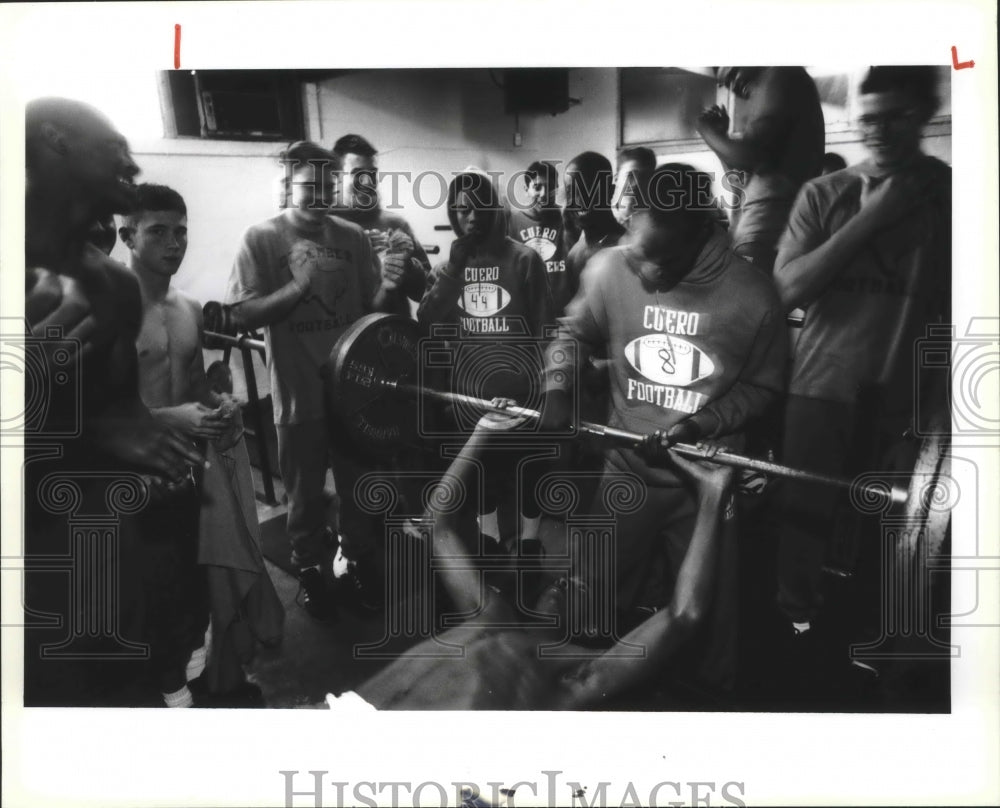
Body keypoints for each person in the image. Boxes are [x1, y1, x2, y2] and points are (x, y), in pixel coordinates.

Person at [541, 163, 788, 688]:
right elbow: (572, 333)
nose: (647, 273)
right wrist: (558, 385)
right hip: (625, 471)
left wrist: (700, 425)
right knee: (585, 609)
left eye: (662, 259)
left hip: (706, 483)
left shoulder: (753, 296)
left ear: (701, 232)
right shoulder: (609, 269)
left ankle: (708, 715)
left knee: (707, 625)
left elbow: (763, 389)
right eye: (639, 251)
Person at [341, 411, 737, 710]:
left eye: (580, 588)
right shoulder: (490, 613)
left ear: (590, 627)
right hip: (345, 721)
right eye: (565, 578)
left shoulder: (572, 678)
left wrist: (711, 497)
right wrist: (484, 432)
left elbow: (683, 617)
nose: (564, 581)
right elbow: (438, 524)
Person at [24, 97, 205, 706]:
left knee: (128, 681)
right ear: (51, 141)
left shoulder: (114, 285)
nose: (128, 162)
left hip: (109, 539)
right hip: (31, 547)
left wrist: (149, 443)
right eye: (110, 147)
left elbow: (123, 420)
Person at [771, 66, 951, 641]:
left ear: (923, 116)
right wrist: (875, 217)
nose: (881, 131)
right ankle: (793, 630)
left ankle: (873, 641)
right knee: (803, 521)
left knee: (897, 528)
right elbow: (785, 291)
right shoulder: (827, 193)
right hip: (820, 388)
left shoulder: (949, 193)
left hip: (906, 397)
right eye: (869, 119)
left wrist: (938, 407)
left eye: (897, 117)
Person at [217, 141, 401, 621]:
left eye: (327, 183)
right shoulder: (261, 238)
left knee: (359, 490)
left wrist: (396, 280)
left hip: (351, 392)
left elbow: (369, 307)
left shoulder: (352, 236)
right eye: (308, 184)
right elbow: (240, 315)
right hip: (298, 393)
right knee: (302, 498)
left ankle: (355, 562)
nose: (319, 193)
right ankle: (310, 572)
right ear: (286, 185)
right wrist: (299, 286)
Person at [122, 182, 281, 706]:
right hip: (130, 484)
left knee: (194, 591)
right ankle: (173, 697)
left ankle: (193, 676)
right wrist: (176, 416)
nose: (174, 242)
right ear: (127, 236)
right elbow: (89, 414)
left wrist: (219, 401)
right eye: (158, 231)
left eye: (181, 231)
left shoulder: (188, 307)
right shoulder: (106, 311)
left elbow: (193, 391)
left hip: (185, 476)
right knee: (153, 602)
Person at [418, 168, 552, 546]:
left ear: (495, 209)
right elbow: (427, 320)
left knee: (530, 472)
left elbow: (545, 331)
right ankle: (489, 540)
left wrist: (546, 388)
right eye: (462, 210)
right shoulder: (448, 268)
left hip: (523, 395)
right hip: (472, 395)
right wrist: (455, 268)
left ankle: (529, 542)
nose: (471, 217)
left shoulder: (525, 259)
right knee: (481, 476)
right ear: (452, 215)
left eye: (480, 207)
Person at [696, 67, 825, 272]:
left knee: (749, 299)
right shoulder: (771, 85)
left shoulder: (779, 74)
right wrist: (722, 137)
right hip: (761, 228)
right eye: (727, 83)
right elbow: (743, 176)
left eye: (733, 72)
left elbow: (749, 156)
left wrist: (706, 131)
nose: (733, 86)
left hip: (768, 228)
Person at [330, 133, 430, 306]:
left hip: (395, 329)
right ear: (336, 177)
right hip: (348, 332)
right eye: (358, 174)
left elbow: (423, 293)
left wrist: (407, 265)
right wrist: (357, 253)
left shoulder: (396, 224)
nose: (367, 182)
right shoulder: (324, 227)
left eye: (372, 173)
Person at [505, 160, 567, 309]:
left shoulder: (567, 221)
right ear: (526, 189)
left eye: (550, 187)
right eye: (537, 187)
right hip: (525, 311)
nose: (544, 195)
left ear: (556, 189)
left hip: (561, 313)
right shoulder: (511, 222)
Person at [612, 146, 658, 230]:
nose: (636, 183)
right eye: (630, 176)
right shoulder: (600, 220)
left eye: (644, 177)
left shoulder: (658, 223)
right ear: (616, 179)